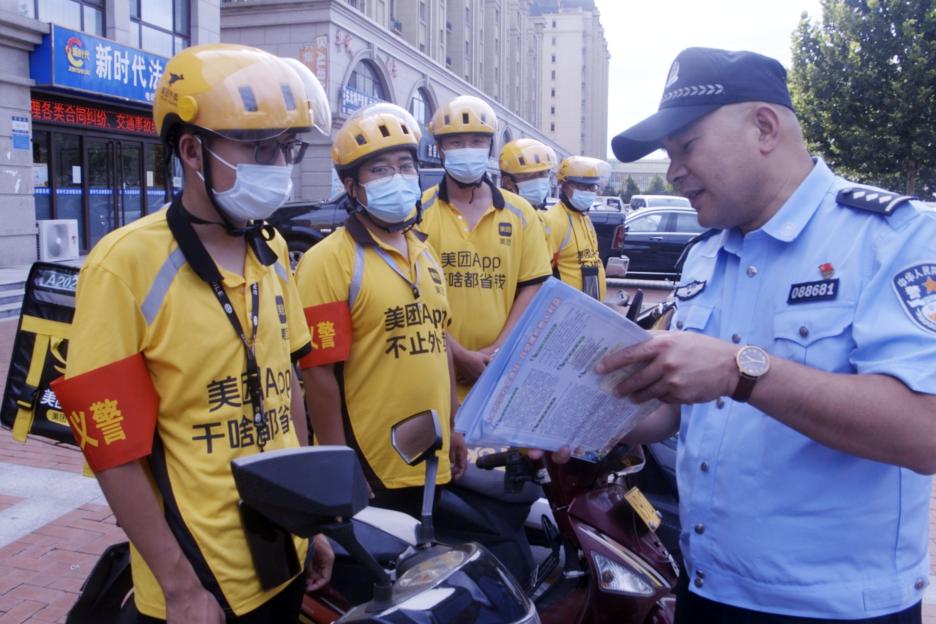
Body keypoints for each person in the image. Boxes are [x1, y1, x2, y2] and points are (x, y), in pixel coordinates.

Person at [599, 46, 936, 623]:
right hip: (707, 587)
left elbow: (924, 433)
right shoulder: (707, 254)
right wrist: (585, 413)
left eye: (686, 146)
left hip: (833, 609)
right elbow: (676, 409)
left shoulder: (893, 238)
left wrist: (740, 371)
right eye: (667, 154)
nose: (674, 169)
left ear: (764, 127)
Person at [50, 44, 334, 623]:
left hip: (284, 549)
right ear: (190, 149)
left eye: (286, 147)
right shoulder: (123, 264)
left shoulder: (272, 249)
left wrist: (311, 518)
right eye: (258, 148)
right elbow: (111, 449)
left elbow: (289, 388)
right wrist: (179, 587)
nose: (279, 164)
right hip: (202, 580)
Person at [294, 103, 466, 516]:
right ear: (352, 186)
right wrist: (337, 465)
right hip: (369, 467)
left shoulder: (424, 254)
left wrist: (457, 426)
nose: (397, 178)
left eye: (405, 166)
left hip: (430, 457)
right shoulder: (329, 261)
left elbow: (438, 343)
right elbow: (318, 375)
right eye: (379, 170)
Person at [419, 96, 552, 399]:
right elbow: (411, 295)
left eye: (477, 140)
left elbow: (531, 287)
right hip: (435, 371)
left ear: (490, 147)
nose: (467, 149)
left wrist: (497, 351)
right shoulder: (418, 212)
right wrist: (458, 354)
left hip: (500, 374)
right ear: (439, 148)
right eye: (456, 142)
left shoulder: (521, 213)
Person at [544, 156, 608, 301]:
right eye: (582, 187)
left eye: (592, 187)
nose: (588, 191)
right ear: (564, 185)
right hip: (564, 311)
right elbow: (542, 273)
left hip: (589, 310)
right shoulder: (553, 220)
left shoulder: (585, 218)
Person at [499, 138, 558, 211]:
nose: (538, 181)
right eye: (529, 175)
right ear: (507, 182)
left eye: (543, 173)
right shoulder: (495, 216)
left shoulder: (544, 218)